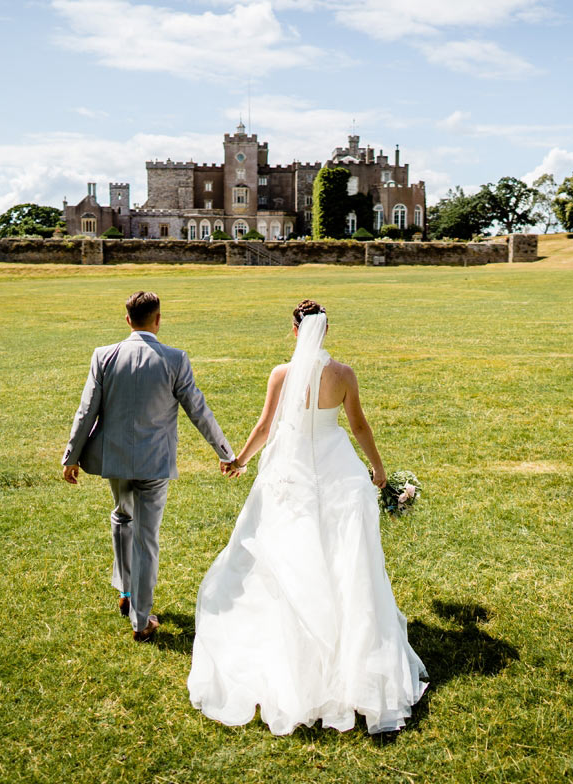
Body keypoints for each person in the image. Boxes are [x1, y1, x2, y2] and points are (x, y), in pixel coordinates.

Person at [188, 299, 428, 734]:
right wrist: (378, 468)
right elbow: (358, 426)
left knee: (286, 553)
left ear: (295, 331)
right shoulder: (343, 374)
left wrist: (239, 459)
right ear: (327, 330)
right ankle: (347, 648)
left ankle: (299, 648)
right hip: (337, 466)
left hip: (291, 469)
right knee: (343, 556)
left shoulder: (281, 374)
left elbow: (265, 426)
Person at [62, 291, 236, 642]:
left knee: (122, 517)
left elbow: (86, 411)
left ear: (128, 320)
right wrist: (225, 451)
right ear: (158, 319)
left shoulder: (104, 356)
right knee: (145, 538)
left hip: (115, 460)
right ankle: (141, 620)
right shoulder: (174, 359)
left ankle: (127, 592)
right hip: (154, 464)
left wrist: (71, 457)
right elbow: (198, 410)